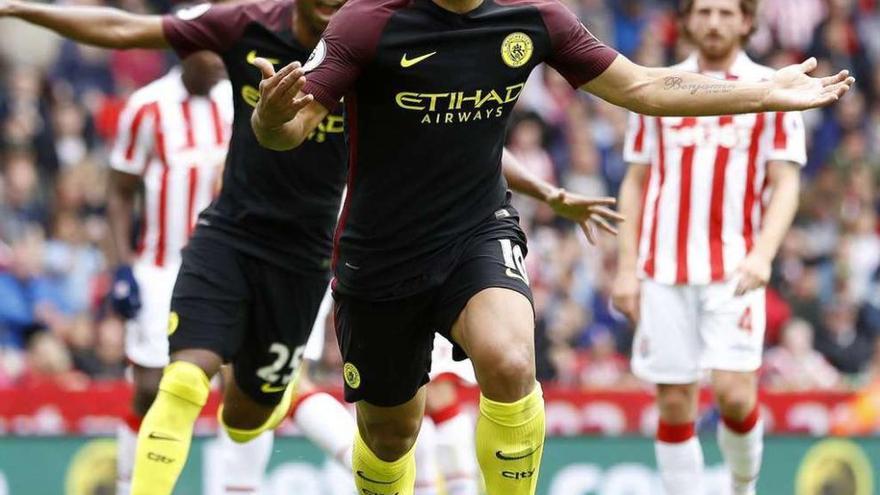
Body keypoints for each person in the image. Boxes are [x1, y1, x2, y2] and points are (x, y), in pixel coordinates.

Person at [250, 0, 853, 493]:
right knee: (390, 437)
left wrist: (767, 91)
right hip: (380, 254)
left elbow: (643, 86)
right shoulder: (367, 21)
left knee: (512, 361)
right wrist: (270, 121)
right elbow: (291, 128)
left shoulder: (537, 18)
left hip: (476, 230)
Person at [0, 0, 359, 493]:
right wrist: (18, 6)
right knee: (178, 382)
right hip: (224, 237)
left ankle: (280, 394)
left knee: (245, 418)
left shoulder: (372, 41)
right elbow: (122, 28)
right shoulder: (245, 25)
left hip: (303, 260)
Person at [611, 1, 809, 493]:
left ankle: (743, 487)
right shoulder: (658, 85)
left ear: (746, 21)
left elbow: (785, 182)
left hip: (734, 266)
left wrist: (764, 253)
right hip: (662, 266)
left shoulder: (774, 85)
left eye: (725, 11)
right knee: (675, 402)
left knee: (735, 395)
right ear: (687, 20)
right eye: (703, 11)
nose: (714, 22)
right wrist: (625, 267)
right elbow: (635, 181)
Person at [105, 50, 231, 494]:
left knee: (232, 389)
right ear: (187, 52)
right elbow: (119, 192)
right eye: (212, 51)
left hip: (223, 266)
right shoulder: (146, 106)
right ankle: (129, 485)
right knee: (148, 387)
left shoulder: (234, 102)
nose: (220, 62)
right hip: (159, 266)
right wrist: (121, 268)